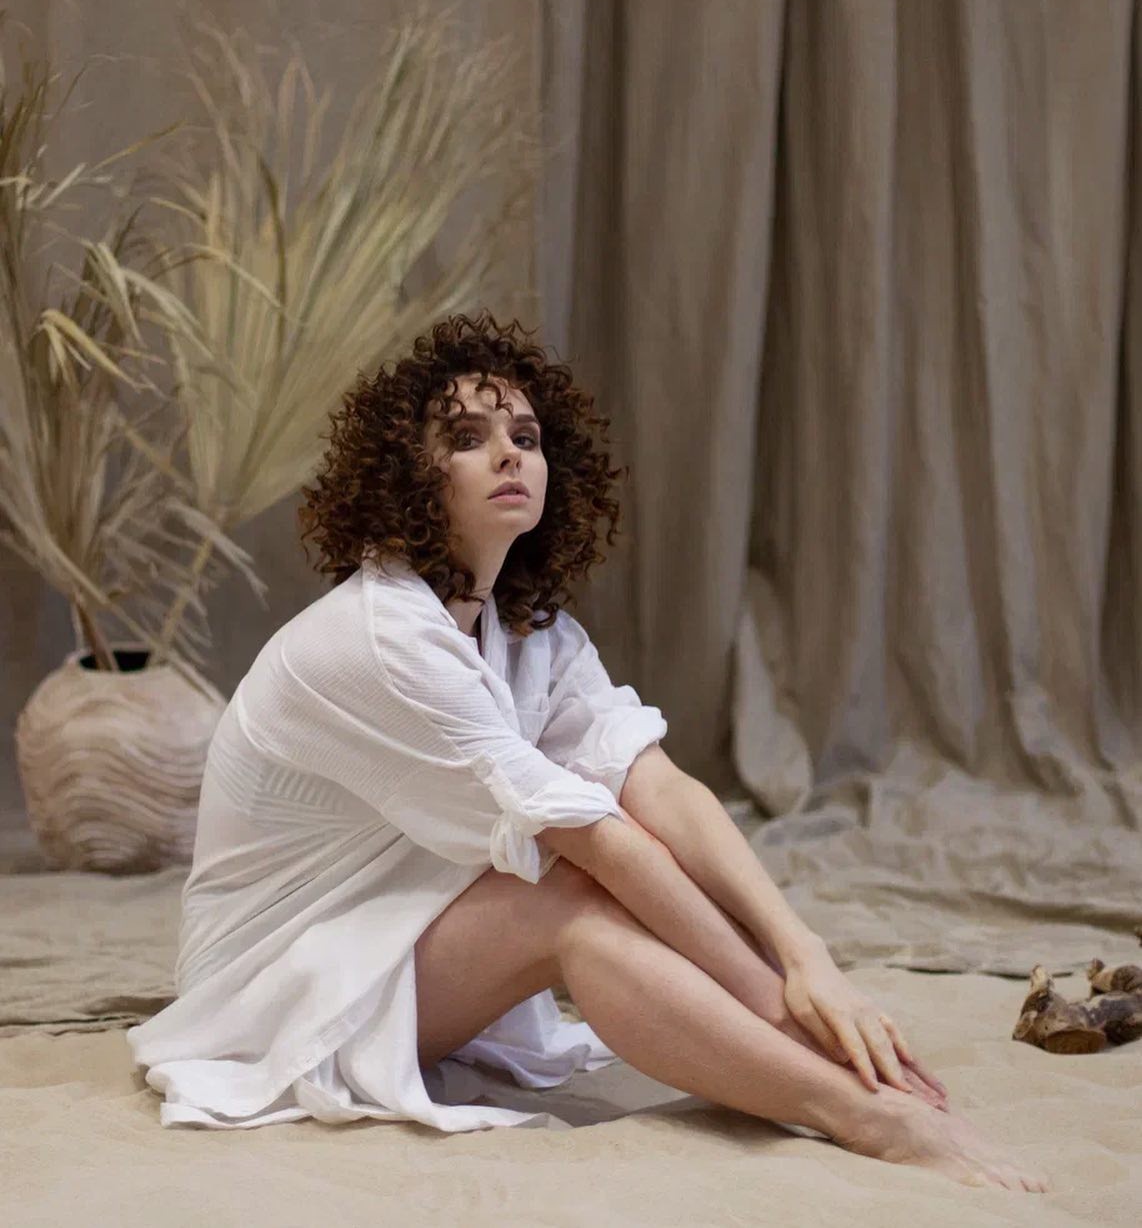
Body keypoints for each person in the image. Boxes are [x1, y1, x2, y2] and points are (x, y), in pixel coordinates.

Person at [125, 310, 1048, 1192]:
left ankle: (848, 1091)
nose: (509, 454)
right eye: (468, 437)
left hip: (381, 936)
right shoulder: (381, 637)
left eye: (525, 437)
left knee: (596, 883)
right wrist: (794, 1017)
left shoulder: (529, 631)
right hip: (265, 990)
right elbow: (598, 844)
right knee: (570, 897)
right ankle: (864, 1115)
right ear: (408, 472)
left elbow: (656, 786)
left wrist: (807, 959)